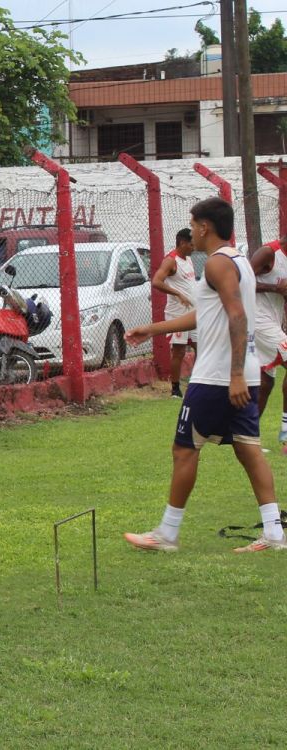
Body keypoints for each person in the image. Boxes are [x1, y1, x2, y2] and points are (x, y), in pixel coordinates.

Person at [123, 198, 282, 553]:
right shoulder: (237, 260)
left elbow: (237, 316)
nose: (190, 231)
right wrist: (153, 329)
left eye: (193, 224)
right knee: (248, 449)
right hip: (242, 374)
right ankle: (273, 533)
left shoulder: (216, 263)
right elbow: (207, 316)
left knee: (184, 449)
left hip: (217, 378)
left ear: (205, 226)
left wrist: (235, 375)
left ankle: (167, 532)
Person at [150, 228, 197, 398]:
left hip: (194, 313)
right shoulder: (171, 261)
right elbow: (156, 281)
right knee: (179, 351)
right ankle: (175, 389)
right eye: (191, 244)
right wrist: (177, 293)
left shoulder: (188, 259)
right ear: (183, 243)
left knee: (202, 348)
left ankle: (198, 384)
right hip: (178, 314)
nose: (194, 247)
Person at [248, 235, 287, 434]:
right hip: (257, 320)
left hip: (272, 322)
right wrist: (275, 288)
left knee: (266, 382)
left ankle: (248, 433)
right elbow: (241, 281)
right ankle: (286, 431)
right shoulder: (269, 252)